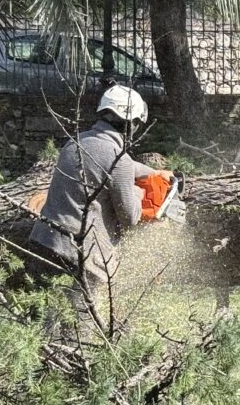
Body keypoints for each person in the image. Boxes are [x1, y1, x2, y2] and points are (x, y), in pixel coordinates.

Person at [28, 85, 172, 298]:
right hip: (80, 255)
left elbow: (117, 166)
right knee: (78, 319)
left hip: (44, 242)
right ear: (132, 123)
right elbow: (130, 217)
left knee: (39, 312)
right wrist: (138, 193)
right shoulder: (118, 160)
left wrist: (155, 173)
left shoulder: (75, 142)